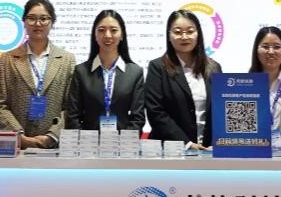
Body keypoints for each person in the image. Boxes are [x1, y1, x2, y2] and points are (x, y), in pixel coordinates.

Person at [0, 0, 75, 150]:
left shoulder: (66, 60)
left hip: (55, 147)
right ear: (24, 22)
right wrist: (19, 136)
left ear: (52, 22)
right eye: (31, 18)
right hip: (18, 146)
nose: (37, 23)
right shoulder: (8, 58)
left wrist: (52, 136)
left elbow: (71, 106)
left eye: (44, 18)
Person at [145, 10, 222, 151]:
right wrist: (187, 144)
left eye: (190, 31)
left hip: (207, 149)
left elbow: (220, 110)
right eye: (178, 32)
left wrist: (216, 142)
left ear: (198, 34)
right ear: (169, 36)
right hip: (170, 149)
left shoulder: (214, 68)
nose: (184, 36)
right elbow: (155, 111)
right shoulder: (157, 67)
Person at [66, 10, 145, 133]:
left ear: (122, 35)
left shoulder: (135, 73)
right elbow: (73, 116)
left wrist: (123, 141)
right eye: (101, 30)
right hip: (88, 143)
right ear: (95, 35)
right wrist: (85, 141)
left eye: (113, 30)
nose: (107, 35)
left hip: (123, 143)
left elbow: (138, 118)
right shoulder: (81, 71)